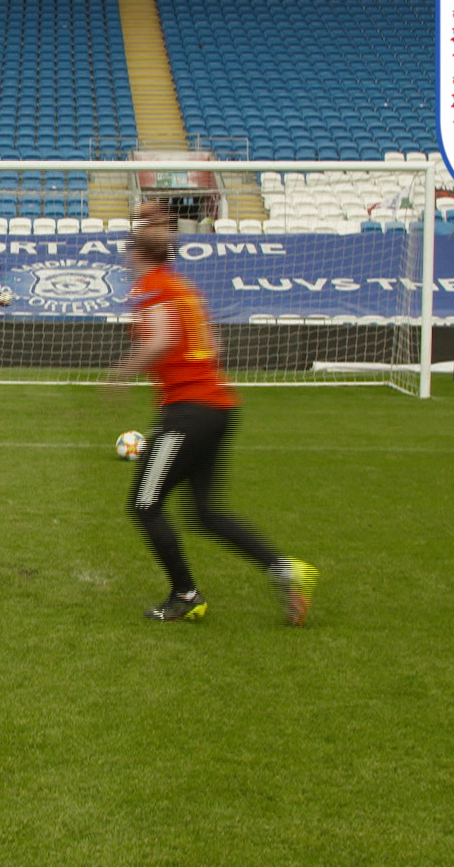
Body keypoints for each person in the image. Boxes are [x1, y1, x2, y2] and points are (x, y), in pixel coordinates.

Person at [104, 225, 317, 626]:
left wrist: (123, 372)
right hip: (218, 407)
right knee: (205, 513)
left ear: (140, 254)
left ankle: (185, 594)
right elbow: (214, 347)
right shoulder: (187, 291)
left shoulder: (152, 287)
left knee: (145, 505)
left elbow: (162, 340)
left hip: (188, 412)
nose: (127, 257)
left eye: (131, 251)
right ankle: (286, 570)